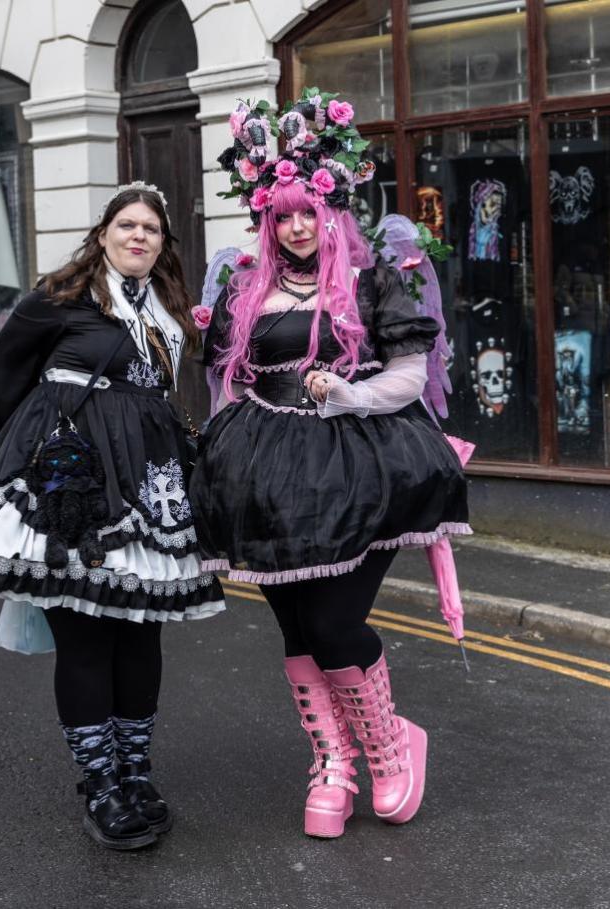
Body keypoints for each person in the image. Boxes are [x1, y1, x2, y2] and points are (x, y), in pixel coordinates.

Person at [190, 92, 471, 839]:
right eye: (281, 215)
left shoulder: (376, 277)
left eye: (306, 210)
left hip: (361, 459)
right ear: (266, 219)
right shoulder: (248, 285)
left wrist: (350, 393)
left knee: (338, 620)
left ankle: (389, 747)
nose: (296, 226)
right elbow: (232, 376)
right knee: (297, 628)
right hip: (270, 470)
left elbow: (412, 374)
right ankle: (332, 759)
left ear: (331, 204)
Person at [0, 182, 225, 851]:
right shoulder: (62, 297)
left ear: (162, 244)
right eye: (127, 225)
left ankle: (135, 770)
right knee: (85, 632)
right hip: (73, 478)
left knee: (142, 630)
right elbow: (4, 372)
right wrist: (31, 436)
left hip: (150, 479)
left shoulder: (169, 309)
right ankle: (99, 781)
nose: (138, 236)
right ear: (104, 232)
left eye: (151, 228)